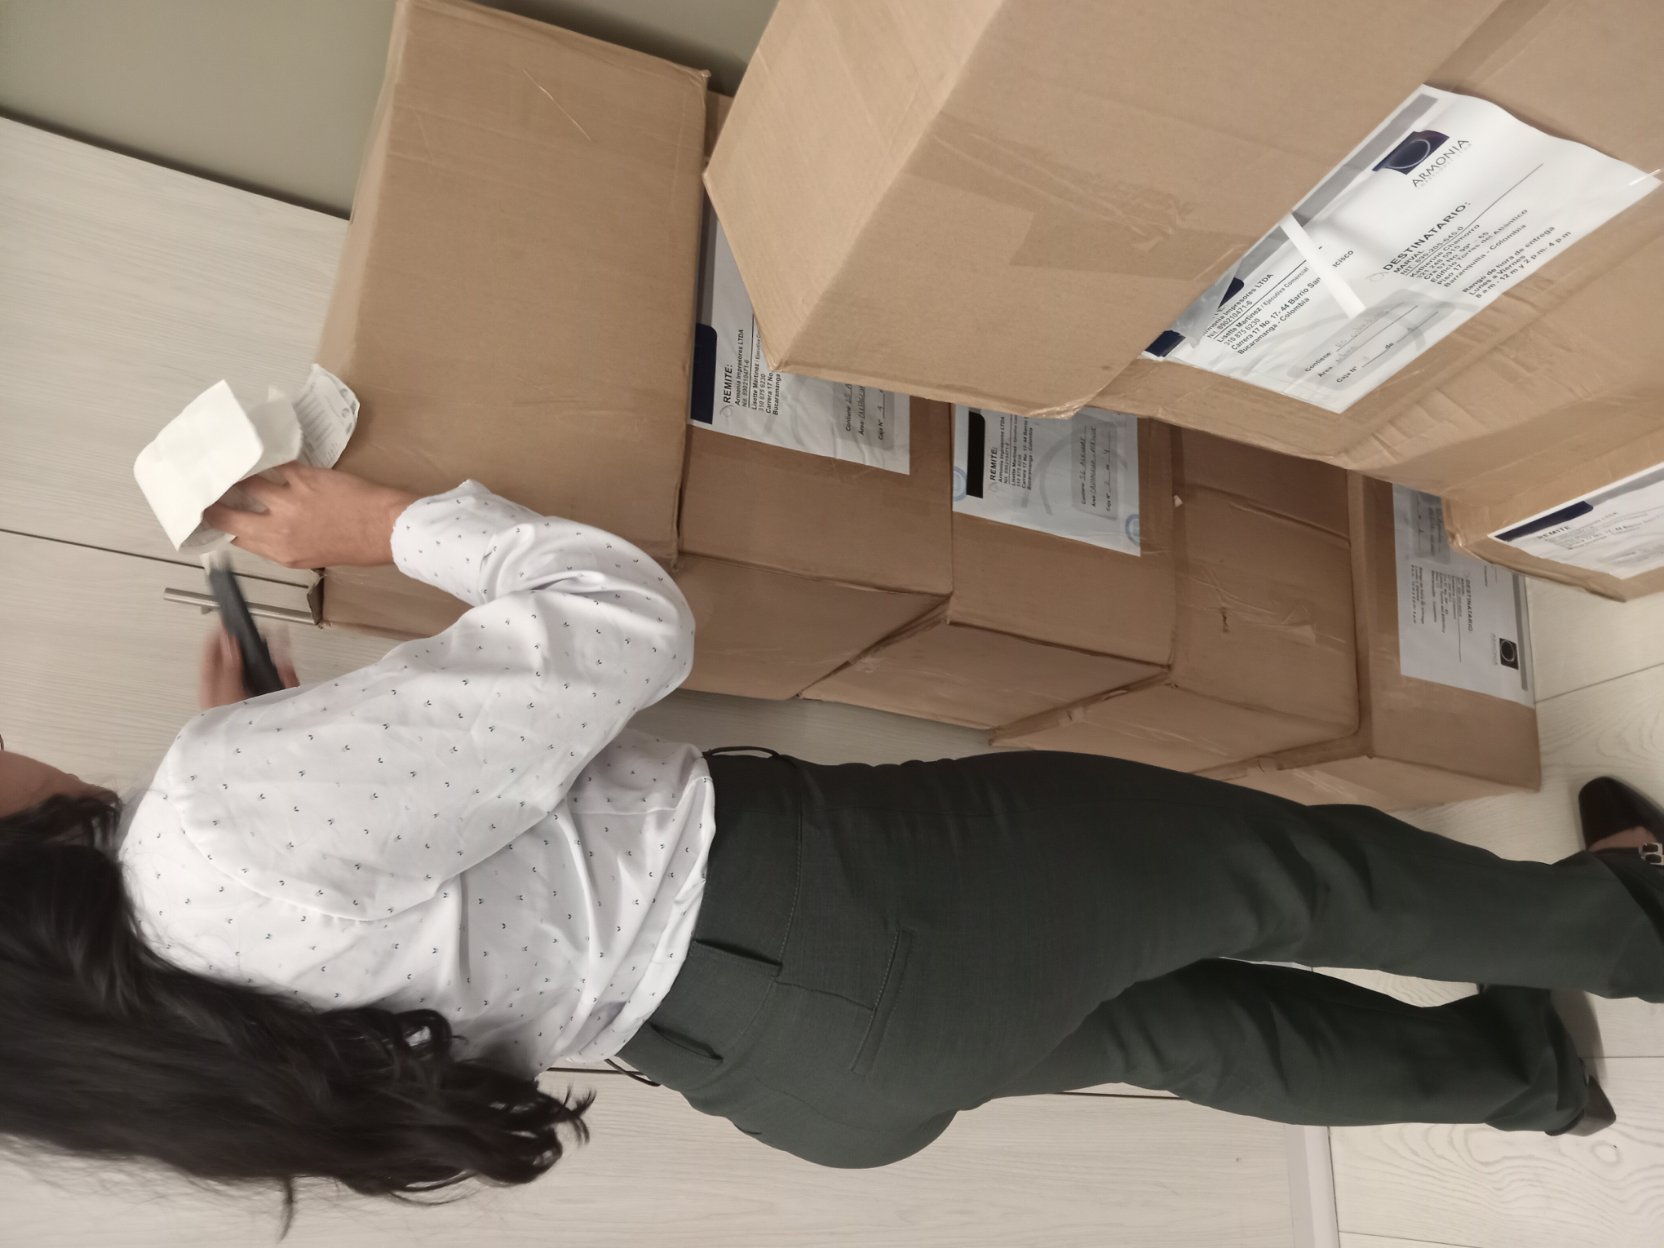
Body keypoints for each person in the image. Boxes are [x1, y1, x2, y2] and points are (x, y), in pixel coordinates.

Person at [4, 464, 1662, 1220]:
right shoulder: (210, 822)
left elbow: (394, 915)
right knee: (1286, 875)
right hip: (857, 916)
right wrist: (390, 525)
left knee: (1187, 1032)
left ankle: (1527, 1078)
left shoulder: (123, 1038)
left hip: (794, 1075)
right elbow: (618, 621)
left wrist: (283, 745)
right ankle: (1637, 928)